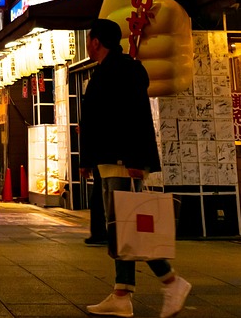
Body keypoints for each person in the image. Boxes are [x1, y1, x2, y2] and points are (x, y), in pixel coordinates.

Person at [80, 19, 190, 317]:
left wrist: (135, 161)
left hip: (121, 161)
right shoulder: (108, 69)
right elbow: (100, 120)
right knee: (122, 229)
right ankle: (122, 293)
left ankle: (170, 281)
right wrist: (88, 160)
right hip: (109, 159)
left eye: (89, 38)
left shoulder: (123, 70)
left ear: (96, 41)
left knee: (127, 228)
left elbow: (134, 117)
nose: (88, 43)